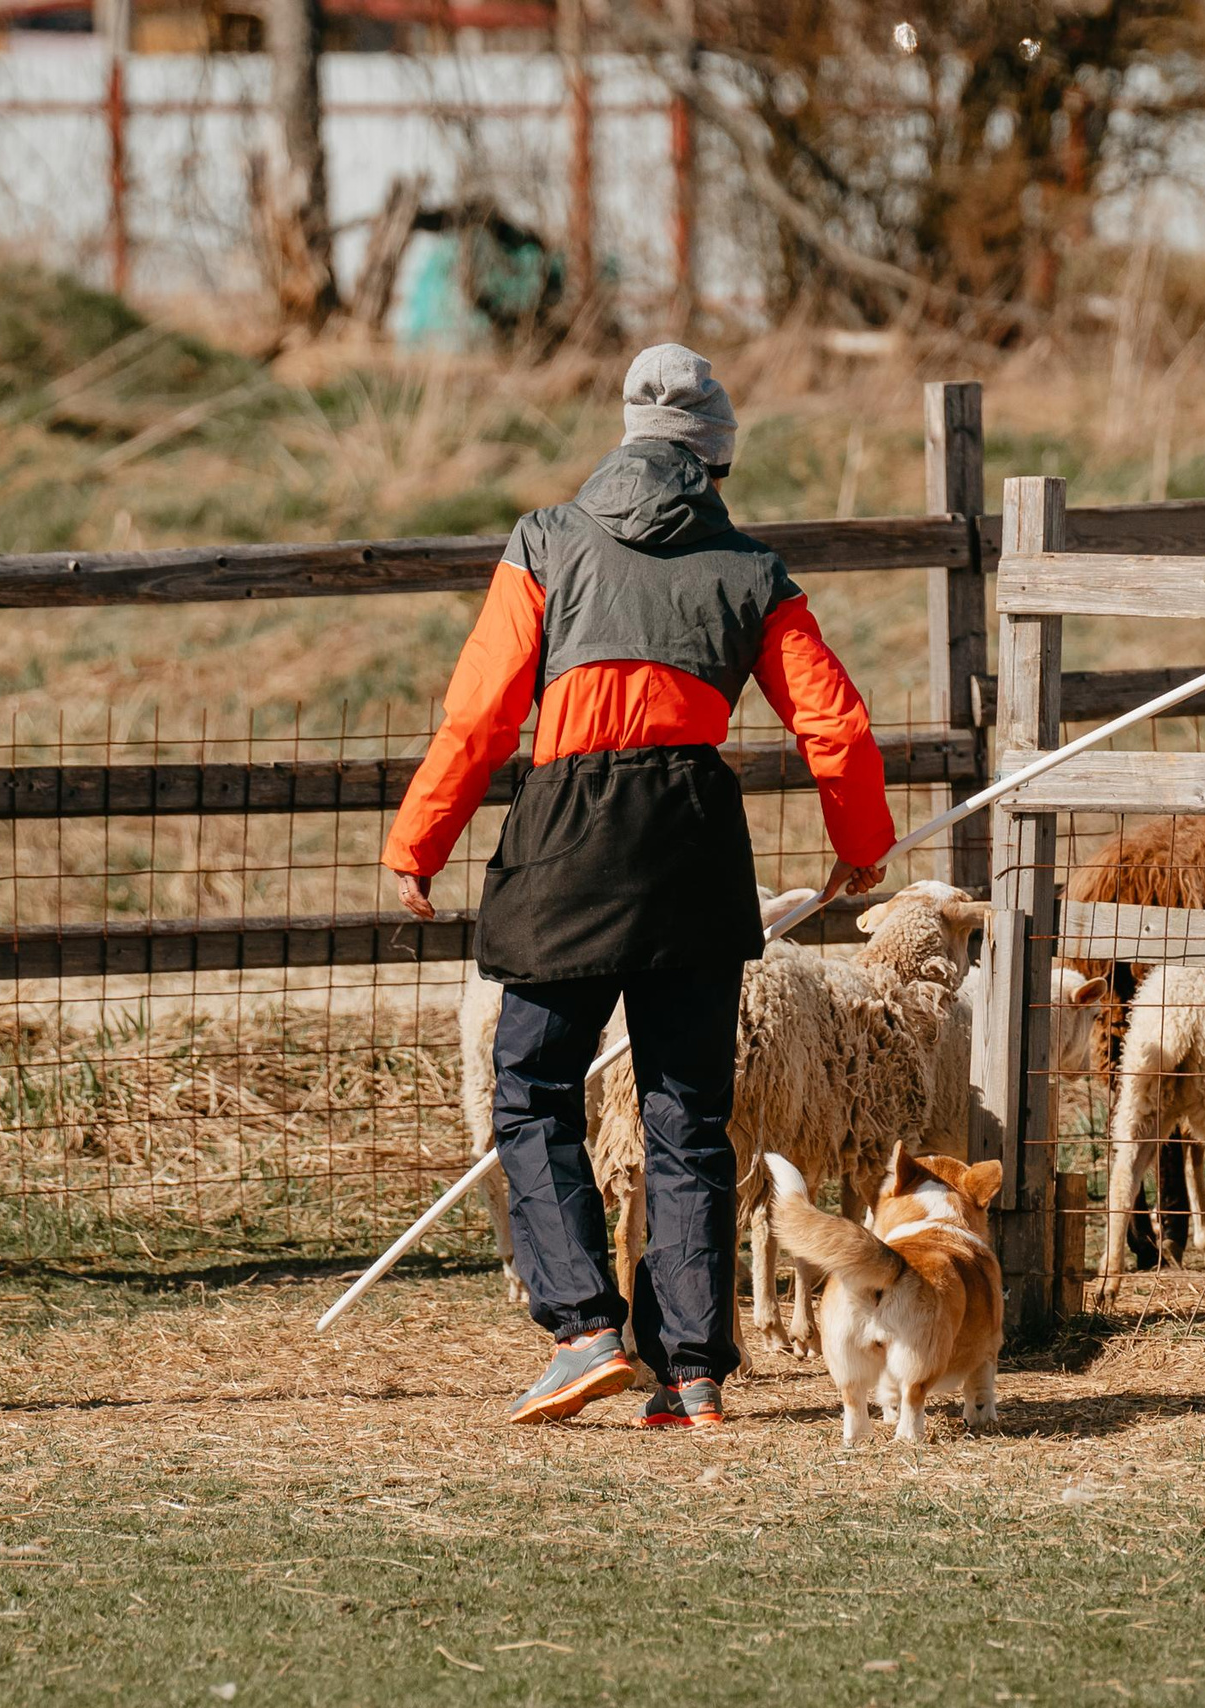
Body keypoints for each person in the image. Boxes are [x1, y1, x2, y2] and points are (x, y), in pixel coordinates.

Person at [382, 344, 895, 1430]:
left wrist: (418, 842)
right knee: (687, 1110)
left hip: (566, 842)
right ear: (716, 460)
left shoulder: (545, 540)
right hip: (692, 845)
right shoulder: (753, 570)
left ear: (625, 437)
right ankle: (691, 1372)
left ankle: (582, 1331)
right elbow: (835, 724)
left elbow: (480, 714)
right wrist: (861, 842)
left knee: (533, 1087)